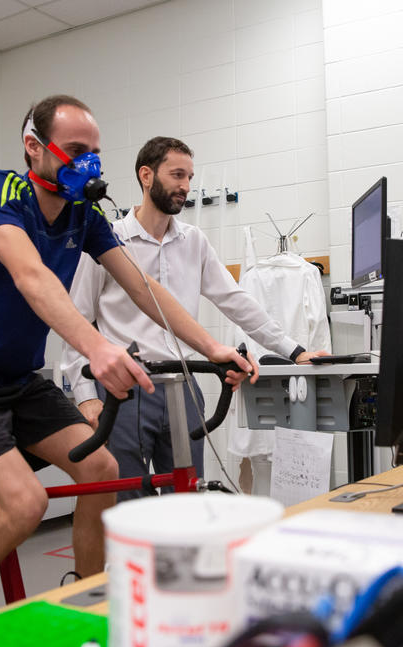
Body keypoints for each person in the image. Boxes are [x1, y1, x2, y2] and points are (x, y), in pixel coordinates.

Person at [0, 97, 253, 612]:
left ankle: (90, 604)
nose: (89, 164)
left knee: (102, 469)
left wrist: (212, 346)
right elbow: (31, 276)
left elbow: (143, 287)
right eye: (75, 151)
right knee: (24, 505)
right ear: (34, 148)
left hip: (19, 382)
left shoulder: (84, 215)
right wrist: (97, 347)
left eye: (94, 152)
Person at [60, 136, 327, 500]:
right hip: (124, 388)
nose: (186, 186)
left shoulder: (194, 241)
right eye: (177, 175)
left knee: (186, 498)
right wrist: (86, 394)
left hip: (184, 383)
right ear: (146, 175)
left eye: (189, 177)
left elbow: (235, 300)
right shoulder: (108, 239)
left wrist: (294, 350)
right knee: (126, 501)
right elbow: (77, 319)